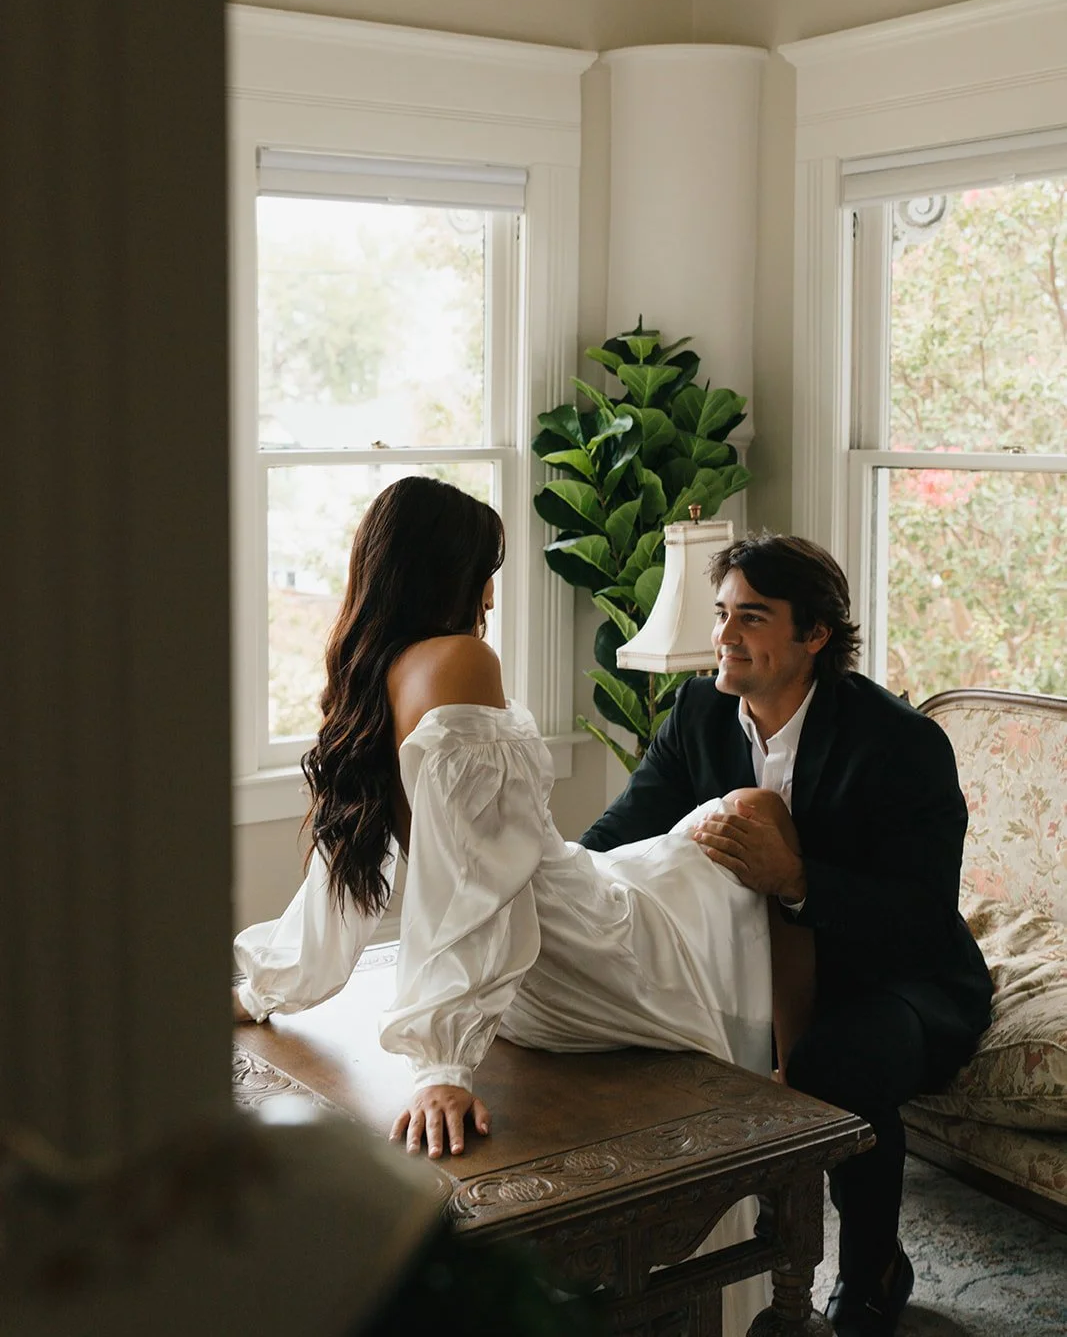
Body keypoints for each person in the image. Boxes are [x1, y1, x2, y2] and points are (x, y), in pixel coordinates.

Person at [232, 479, 807, 1337]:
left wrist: (261, 988)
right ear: (451, 572)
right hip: (579, 954)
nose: (493, 595)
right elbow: (478, 884)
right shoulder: (460, 661)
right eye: (487, 570)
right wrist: (441, 1064)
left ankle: (783, 1068)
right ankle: (792, 1080)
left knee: (703, 842)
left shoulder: (372, 674)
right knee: (749, 824)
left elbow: (345, 877)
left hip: (541, 958)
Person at [579, 533, 993, 1337]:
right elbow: (619, 833)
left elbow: (919, 914)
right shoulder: (698, 712)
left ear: (814, 635)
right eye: (721, 613)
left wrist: (797, 880)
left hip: (898, 978)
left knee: (832, 1061)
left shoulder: (899, 742)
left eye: (752, 617)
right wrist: (555, 885)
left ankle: (871, 1267)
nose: (724, 636)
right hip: (748, 972)